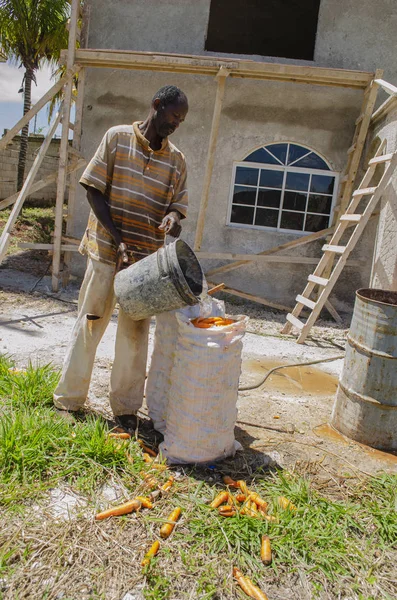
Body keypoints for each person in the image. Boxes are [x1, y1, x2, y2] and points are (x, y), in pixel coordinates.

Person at [53, 85, 189, 431]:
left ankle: (126, 409)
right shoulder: (116, 138)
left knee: (134, 335)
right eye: (174, 116)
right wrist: (119, 240)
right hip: (105, 252)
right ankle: (69, 400)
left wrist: (173, 218)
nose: (176, 124)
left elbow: (178, 205)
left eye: (181, 120)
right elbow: (93, 190)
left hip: (145, 266)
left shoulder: (177, 160)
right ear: (156, 105)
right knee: (90, 323)